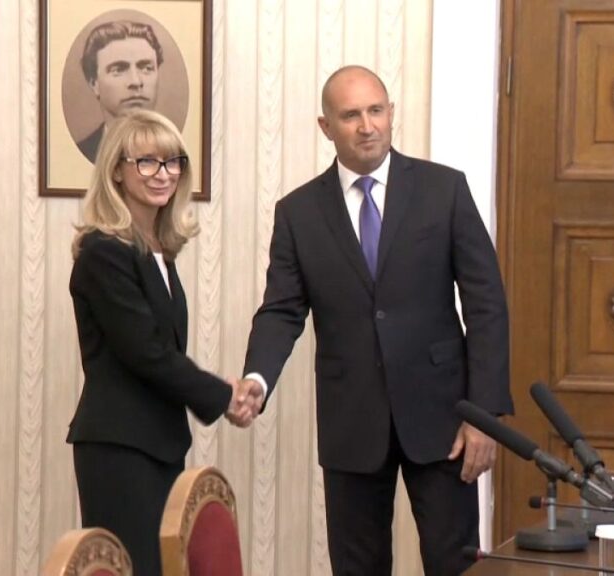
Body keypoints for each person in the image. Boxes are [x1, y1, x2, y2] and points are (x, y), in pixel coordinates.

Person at [241, 66, 513, 575]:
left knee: (455, 564)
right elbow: (281, 309)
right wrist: (258, 377)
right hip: (352, 421)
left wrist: (485, 415)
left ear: (391, 114)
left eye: (376, 110)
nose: (367, 125)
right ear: (326, 127)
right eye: (350, 115)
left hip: (446, 421)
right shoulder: (298, 212)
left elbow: (486, 305)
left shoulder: (443, 190)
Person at [68, 109, 262, 575]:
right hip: (120, 446)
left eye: (172, 162)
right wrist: (223, 396)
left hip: (158, 441)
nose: (163, 174)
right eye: (147, 163)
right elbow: (146, 353)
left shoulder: (157, 250)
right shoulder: (103, 251)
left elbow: (162, 351)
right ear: (117, 169)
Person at [76, 20, 163, 162]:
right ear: (94, 83)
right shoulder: (81, 153)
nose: (136, 82)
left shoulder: (178, 151)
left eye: (146, 68)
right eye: (118, 70)